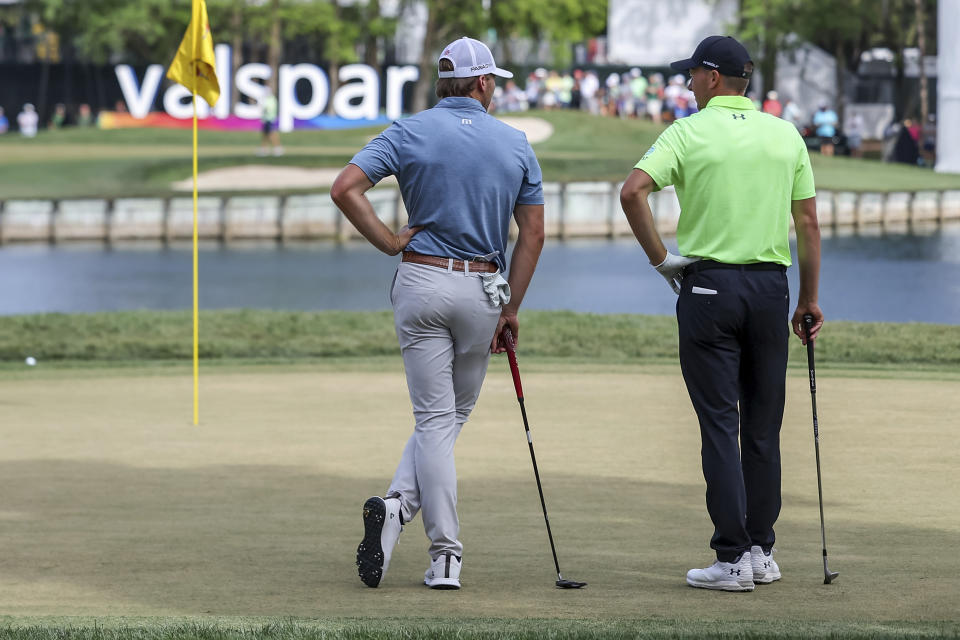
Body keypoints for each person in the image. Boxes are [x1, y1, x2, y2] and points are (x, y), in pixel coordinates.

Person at [331, 36, 545, 591]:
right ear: (480, 84)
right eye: (493, 80)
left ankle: (399, 510)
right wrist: (512, 306)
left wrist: (387, 241)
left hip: (421, 280)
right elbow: (533, 234)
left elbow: (346, 188)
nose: (494, 89)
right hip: (481, 289)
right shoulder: (516, 142)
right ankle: (444, 554)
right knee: (447, 418)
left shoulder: (408, 130)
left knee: (435, 419)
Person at [619, 35, 823, 592]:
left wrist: (663, 262)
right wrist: (808, 299)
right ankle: (761, 550)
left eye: (691, 74)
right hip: (770, 289)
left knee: (719, 425)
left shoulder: (686, 131)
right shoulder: (786, 135)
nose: (686, 82)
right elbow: (807, 224)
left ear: (713, 77)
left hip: (708, 289)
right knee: (763, 428)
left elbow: (633, 192)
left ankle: (731, 559)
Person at [258, 86, 282, 156]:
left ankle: (277, 148)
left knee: (271, 134)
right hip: (266, 119)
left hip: (270, 119)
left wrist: (265, 109)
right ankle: (264, 149)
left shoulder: (271, 99)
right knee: (264, 135)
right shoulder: (266, 99)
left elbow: (270, 109)